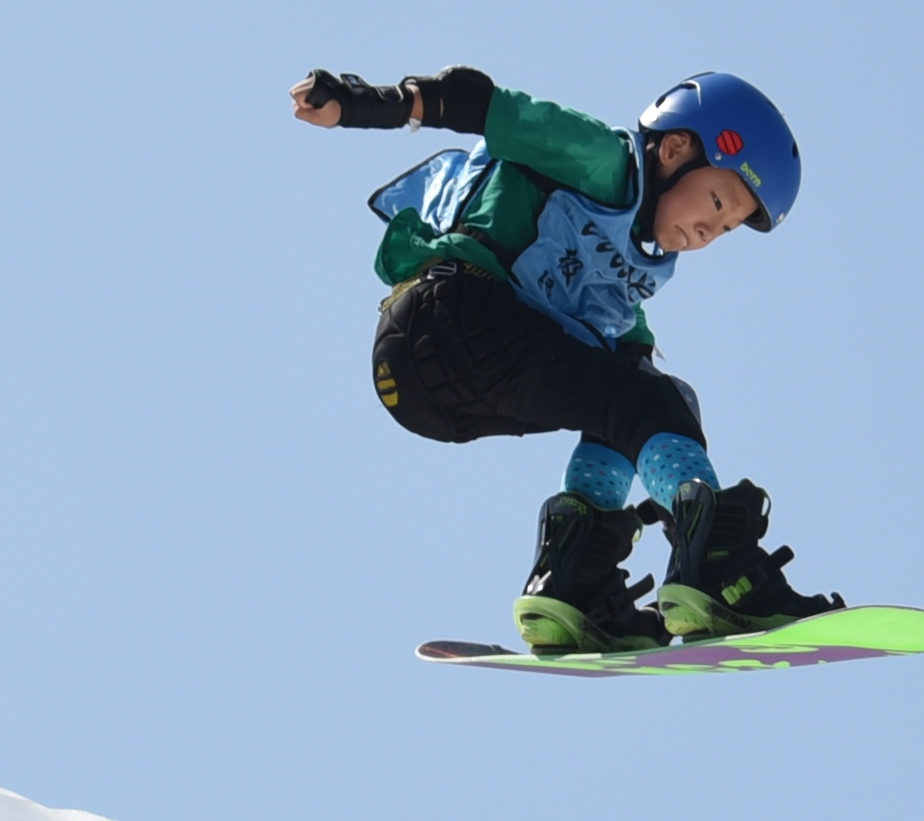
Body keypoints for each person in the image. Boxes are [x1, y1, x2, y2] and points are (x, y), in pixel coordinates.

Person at [291, 64, 836, 652]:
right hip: (450, 314)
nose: (709, 231)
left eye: (726, 228)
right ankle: (718, 569)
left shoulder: (633, 279)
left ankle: (572, 586)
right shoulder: (603, 160)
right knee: (645, 400)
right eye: (715, 200)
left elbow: (632, 377)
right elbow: (489, 108)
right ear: (675, 149)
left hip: (437, 392)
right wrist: (363, 103)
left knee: (648, 390)